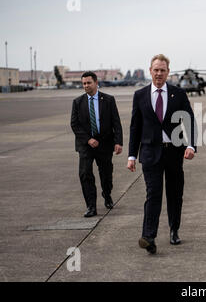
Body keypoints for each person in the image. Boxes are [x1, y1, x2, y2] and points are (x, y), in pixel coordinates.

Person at [127, 54, 196, 254]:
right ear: (150, 71)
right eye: (156, 70)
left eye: (162, 70)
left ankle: (174, 230)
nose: (159, 73)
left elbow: (189, 121)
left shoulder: (179, 94)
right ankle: (149, 237)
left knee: (175, 194)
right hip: (150, 153)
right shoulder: (140, 95)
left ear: (168, 72)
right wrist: (131, 155)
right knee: (153, 195)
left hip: (174, 153)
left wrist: (191, 145)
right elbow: (135, 127)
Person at [71, 71, 123, 218]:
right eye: (84, 83)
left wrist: (118, 142)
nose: (86, 86)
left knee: (106, 174)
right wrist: (88, 139)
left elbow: (116, 122)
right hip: (86, 145)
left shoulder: (108, 100)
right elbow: (74, 125)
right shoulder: (77, 102)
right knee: (85, 174)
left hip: (105, 143)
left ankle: (107, 194)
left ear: (96, 83)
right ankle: (91, 206)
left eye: (89, 83)